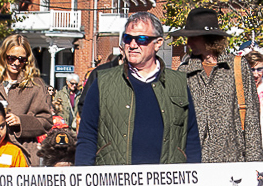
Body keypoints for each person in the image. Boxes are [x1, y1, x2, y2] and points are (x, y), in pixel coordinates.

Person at [75, 12, 201, 166]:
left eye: (141, 39)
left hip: (167, 185)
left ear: (158, 43)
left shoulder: (178, 83)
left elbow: (191, 138)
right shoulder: (102, 81)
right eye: (128, 38)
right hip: (115, 183)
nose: (133, 45)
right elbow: (87, 137)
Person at [173, 8, 263, 163]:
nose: (188, 42)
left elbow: (251, 120)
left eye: (193, 37)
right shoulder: (184, 71)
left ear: (209, 38)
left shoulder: (237, 66)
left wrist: (254, 166)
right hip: (195, 163)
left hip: (232, 162)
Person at [0, 35, 53, 162]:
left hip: (23, 153)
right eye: (11, 58)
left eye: (21, 59)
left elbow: (46, 121)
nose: (16, 63)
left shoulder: (36, 85)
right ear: (3, 56)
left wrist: (21, 121)